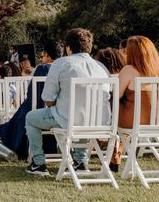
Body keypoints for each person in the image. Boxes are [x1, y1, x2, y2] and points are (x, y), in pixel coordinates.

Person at [25, 28, 110, 176]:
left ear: (68, 48)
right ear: (89, 47)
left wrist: (58, 104)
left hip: (67, 120)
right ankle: (81, 162)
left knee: (31, 118)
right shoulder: (101, 67)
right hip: (97, 122)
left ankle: (38, 163)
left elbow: (48, 99)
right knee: (84, 115)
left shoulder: (61, 64)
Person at [110, 36, 159, 171]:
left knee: (112, 107)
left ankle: (113, 152)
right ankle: (116, 153)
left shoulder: (128, 70)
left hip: (136, 121)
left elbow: (117, 95)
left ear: (133, 53)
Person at [0, 40, 64, 160]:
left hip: (41, 110)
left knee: (21, 116)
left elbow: (33, 93)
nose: (42, 58)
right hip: (62, 114)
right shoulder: (65, 68)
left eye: (42, 55)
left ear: (48, 55)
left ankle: (33, 154)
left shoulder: (42, 69)